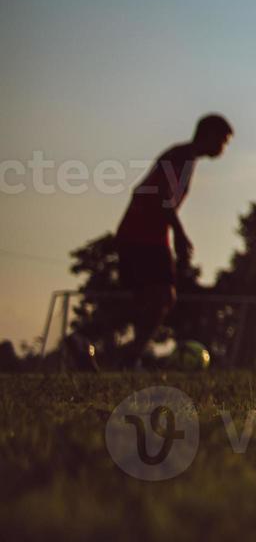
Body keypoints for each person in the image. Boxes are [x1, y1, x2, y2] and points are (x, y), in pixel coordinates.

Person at [91, 114, 232, 369]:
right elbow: (160, 195)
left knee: (146, 299)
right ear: (208, 134)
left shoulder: (185, 159)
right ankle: (126, 355)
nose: (224, 148)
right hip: (145, 232)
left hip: (144, 231)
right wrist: (178, 232)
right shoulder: (181, 157)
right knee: (163, 297)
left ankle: (104, 348)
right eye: (223, 140)